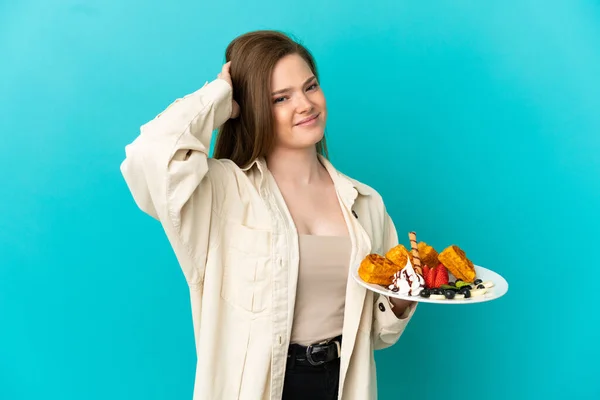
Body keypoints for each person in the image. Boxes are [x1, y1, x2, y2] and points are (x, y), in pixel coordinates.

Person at [120, 30, 417, 400]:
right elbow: (148, 155)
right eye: (281, 98)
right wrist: (219, 96)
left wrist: (404, 299)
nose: (305, 104)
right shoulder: (221, 193)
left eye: (310, 87)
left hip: (341, 385)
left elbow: (375, 333)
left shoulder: (365, 202)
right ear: (253, 108)